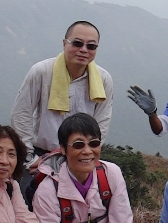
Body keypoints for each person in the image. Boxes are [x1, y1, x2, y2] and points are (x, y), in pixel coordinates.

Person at [11, 21, 114, 158]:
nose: (84, 50)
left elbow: (102, 122)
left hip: (80, 155)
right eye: (77, 43)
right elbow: (22, 113)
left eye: (91, 46)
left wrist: (90, 153)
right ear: (65, 43)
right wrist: (27, 155)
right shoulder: (42, 72)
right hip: (40, 154)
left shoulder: (103, 80)